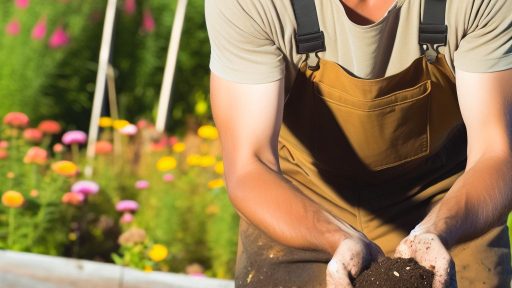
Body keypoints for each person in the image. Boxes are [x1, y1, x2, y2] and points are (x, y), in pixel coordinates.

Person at [205, 0, 512, 287]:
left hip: (448, 201)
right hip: (302, 198)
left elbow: (495, 152)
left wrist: (438, 231)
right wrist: (335, 236)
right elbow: (250, 164)